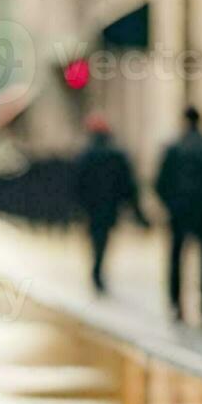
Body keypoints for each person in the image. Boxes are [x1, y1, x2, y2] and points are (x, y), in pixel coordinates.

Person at [155, 106, 202, 326]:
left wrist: (170, 204)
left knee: (176, 257)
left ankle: (176, 303)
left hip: (179, 210)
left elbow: (160, 182)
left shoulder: (173, 148)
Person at [74, 113, 147, 292]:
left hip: (92, 206)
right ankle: (98, 270)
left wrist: (78, 205)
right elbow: (128, 184)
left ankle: (96, 270)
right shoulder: (115, 155)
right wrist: (137, 211)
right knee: (103, 239)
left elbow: (77, 183)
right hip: (109, 206)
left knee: (95, 238)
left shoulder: (86, 155)